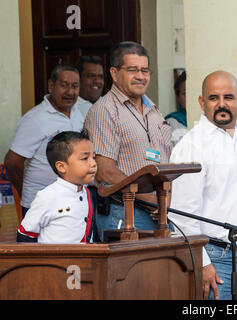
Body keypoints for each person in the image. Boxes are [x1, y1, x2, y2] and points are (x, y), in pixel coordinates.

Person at [169, 70, 237, 300]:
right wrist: (203, 263)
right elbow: (181, 215)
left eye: (229, 97)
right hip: (216, 258)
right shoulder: (191, 146)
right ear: (201, 102)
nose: (222, 104)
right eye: (214, 98)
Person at [84, 42, 173, 242]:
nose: (140, 76)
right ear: (114, 73)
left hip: (160, 215)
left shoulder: (154, 110)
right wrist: (154, 199)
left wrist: (165, 201)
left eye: (144, 70)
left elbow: (165, 162)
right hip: (124, 214)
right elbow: (105, 172)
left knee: (158, 272)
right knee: (131, 274)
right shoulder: (104, 110)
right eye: (133, 70)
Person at [4, 63, 84, 219]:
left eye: (75, 86)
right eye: (64, 85)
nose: (70, 92)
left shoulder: (78, 113)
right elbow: (12, 162)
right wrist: (24, 191)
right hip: (41, 205)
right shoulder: (35, 119)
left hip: (74, 203)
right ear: (51, 85)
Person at [17, 130, 96, 243]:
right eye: (85, 158)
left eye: (94, 157)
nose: (93, 163)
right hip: (53, 261)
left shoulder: (86, 193)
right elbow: (25, 234)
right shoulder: (47, 196)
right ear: (61, 167)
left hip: (82, 260)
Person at [165, 71, 188, 144]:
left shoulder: (207, 120)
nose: (190, 97)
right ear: (177, 96)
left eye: (193, 92)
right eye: (185, 93)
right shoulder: (171, 123)